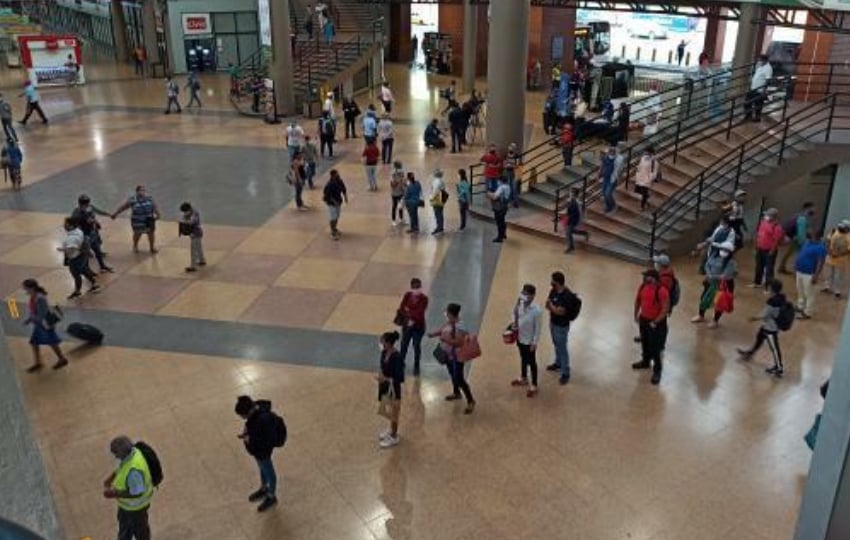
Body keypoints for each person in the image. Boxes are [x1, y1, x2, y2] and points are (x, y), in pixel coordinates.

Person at [234, 396, 281, 512]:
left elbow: (265, 438)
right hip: (259, 451)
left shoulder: (261, 420)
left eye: (243, 415)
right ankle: (264, 488)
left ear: (249, 411)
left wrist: (249, 439)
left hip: (263, 450)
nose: (242, 418)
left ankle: (271, 496)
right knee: (262, 467)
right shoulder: (256, 415)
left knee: (269, 471)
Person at [103, 436, 154, 539]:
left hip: (135, 509)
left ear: (122, 453)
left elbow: (137, 492)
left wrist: (114, 493)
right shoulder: (133, 452)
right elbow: (123, 466)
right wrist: (112, 476)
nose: (115, 457)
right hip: (127, 508)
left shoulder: (134, 471)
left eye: (116, 453)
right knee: (126, 528)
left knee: (139, 531)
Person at [429, 303, 475, 414]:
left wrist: (445, 340)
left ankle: (471, 400)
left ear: (451, 313)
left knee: (459, 378)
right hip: (449, 355)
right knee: (452, 374)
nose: (446, 314)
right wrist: (433, 334)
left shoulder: (461, 327)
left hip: (457, 356)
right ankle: (456, 392)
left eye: (447, 312)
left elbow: (459, 342)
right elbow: (443, 330)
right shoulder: (451, 322)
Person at [738, 279, 788, 377]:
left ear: (772, 289)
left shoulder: (773, 301)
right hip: (769, 326)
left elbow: (765, 314)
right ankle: (750, 353)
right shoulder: (782, 298)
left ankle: (779, 368)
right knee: (759, 337)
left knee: (774, 348)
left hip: (771, 328)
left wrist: (754, 318)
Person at [21, 279, 70, 372]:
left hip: (44, 325)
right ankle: (38, 362)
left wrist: (31, 319)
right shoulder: (33, 296)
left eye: (26, 288)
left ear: (31, 288)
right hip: (39, 325)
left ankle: (62, 359)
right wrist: (30, 319)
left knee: (51, 342)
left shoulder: (40, 298)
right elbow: (34, 311)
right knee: (35, 342)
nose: (24, 290)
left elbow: (42, 314)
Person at [632, 269, 670, 385]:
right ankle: (645, 361)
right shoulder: (643, 286)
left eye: (646, 276)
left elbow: (665, 308)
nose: (644, 278)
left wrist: (655, 321)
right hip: (644, 319)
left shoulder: (662, 291)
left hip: (656, 322)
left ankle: (657, 370)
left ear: (653, 278)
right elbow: (638, 300)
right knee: (645, 342)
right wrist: (636, 314)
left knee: (655, 347)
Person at [692, 241, 737, 328]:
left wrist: (712, 276)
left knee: (719, 303)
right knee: (704, 298)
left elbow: (725, 276)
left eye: (727, 250)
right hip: (710, 282)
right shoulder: (714, 255)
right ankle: (701, 315)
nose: (724, 251)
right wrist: (709, 274)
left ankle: (715, 321)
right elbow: (707, 265)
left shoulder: (731, 262)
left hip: (722, 286)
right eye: (723, 249)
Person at [509, 284, 543, 397]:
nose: (524, 296)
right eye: (523, 293)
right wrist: (517, 305)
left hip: (529, 341)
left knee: (532, 362)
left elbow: (538, 328)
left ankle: (534, 384)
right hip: (520, 337)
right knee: (523, 358)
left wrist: (534, 342)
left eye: (527, 294)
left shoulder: (536, 310)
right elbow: (514, 315)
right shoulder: (520, 305)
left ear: (533, 296)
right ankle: (523, 378)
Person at [544, 271, 574, 384]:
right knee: (556, 344)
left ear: (557, 282)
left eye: (552, 280)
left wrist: (551, 307)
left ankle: (565, 372)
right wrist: (553, 309)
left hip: (561, 327)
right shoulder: (554, 290)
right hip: (553, 323)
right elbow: (549, 305)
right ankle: (558, 363)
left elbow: (560, 312)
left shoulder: (567, 296)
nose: (550, 282)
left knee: (562, 348)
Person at [58, 216, 100, 299]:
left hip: (75, 258)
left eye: (66, 224)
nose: (64, 226)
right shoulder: (78, 231)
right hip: (82, 255)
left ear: (71, 226)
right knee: (84, 270)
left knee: (76, 274)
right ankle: (94, 284)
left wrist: (62, 249)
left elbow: (72, 248)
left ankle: (77, 291)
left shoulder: (72, 238)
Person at [111, 185, 160, 254]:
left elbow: (154, 206)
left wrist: (158, 214)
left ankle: (152, 247)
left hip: (149, 220)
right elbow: (123, 207)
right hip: (137, 221)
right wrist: (115, 213)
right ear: (137, 191)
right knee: (137, 234)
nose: (142, 192)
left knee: (151, 234)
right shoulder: (132, 199)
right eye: (141, 190)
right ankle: (135, 246)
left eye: (144, 190)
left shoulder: (149, 198)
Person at [71, 194, 113, 273]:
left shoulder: (89, 207)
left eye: (87, 203)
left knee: (97, 251)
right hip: (85, 236)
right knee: (86, 254)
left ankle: (102, 266)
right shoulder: (76, 212)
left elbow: (97, 212)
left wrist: (107, 215)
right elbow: (73, 225)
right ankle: (87, 269)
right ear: (80, 204)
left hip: (92, 233)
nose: (86, 205)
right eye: (84, 204)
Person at [377, 330, 404, 448]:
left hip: (394, 387)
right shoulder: (383, 352)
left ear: (388, 343)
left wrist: (386, 378)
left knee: (394, 411)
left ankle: (394, 436)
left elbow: (400, 377)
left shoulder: (397, 357)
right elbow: (382, 367)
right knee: (388, 408)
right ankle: (391, 430)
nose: (380, 342)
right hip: (385, 386)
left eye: (382, 340)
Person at [398, 278, 428, 376]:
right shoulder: (407, 295)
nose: (417, 289)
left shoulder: (424, 299)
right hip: (407, 326)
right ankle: (400, 362)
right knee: (403, 345)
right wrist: (409, 313)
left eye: (418, 287)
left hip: (418, 327)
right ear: (411, 287)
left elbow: (420, 314)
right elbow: (401, 309)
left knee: (416, 345)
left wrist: (408, 311)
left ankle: (416, 364)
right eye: (415, 287)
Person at [794, 232, 827, 319]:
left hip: (809, 274)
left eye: (811, 237)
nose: (809, 238)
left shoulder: (820, 248)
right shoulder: (806, 243)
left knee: (810, 294)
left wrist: (816, 275)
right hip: (800, 271)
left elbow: (821, 262)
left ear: (817, 237)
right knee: (800, 290)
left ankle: (808, 312)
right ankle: (800, 306)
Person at [750, 208, 784, 289]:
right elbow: (759, 234)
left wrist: (772, 251)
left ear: (773, 217)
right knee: (758, 266)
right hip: (760, 248)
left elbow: (776, 240)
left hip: (769, 250)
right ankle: (757, 282)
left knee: (769, 269)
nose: (766, 216)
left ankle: (768, 286)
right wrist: (756, 245)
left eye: (768, 215)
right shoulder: (763, 222)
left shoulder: (777, 227)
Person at [780, 202, 815, 274]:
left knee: (789, 252)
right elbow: (801, 232)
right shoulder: (803, 218)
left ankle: (782, 267)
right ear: (808, 208)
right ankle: (797, 270)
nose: (814, 210)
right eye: (813, 208)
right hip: (795, 237)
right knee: (800, 254)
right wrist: (804, 242)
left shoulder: (799, 215)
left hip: (792, 236)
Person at [822, 220, 850, 298]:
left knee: (839, 276)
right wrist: (829, 251)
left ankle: (837, 291)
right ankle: (826, 286)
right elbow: (828, 241)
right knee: (828, 273)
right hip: (831, 257)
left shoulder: (848, 237)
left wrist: (838, 254)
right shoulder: (834, 232)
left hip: (841, 261)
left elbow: (848, 250)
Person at [744, 54, 773, 122]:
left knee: (758, 104)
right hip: (753, 88)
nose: (759, 61)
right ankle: (748, 116)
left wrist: (764, 91)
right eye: (759, 60)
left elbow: (768, 80)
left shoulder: (768, 68)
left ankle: (757, 118)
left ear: (765, 60)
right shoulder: (760, 67)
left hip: (760, 90)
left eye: (760, 60)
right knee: (747, 102)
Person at [178, 202, 206, 272]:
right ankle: (202, 260)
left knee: (193, 250)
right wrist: (183, 220)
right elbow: (183, 218)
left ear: (188, 209)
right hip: (194, 233)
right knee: (199, 247)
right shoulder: (189, 212)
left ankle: (192, 266)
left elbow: (192, 222)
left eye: (185, 211)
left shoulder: (194, 213)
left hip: (196, 233)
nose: (184, 213)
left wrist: (183, 221)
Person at [323, 169, 347, 240]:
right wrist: (334, 202)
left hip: (338, 202)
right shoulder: (329, 184)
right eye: (337, 174)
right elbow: (327, 195)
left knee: (337, 216)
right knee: (333, 217)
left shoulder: (339, 181)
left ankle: (335, 228)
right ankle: (332, 232)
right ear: (333, 175)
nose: (338, 175)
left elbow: (343, 188)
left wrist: (345, 197)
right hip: (331, 204)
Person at [633, 145, 658, 212]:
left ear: (650, 152)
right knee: (638, 191)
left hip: (646, 179)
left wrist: (649, 179)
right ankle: (647, 196)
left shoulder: (654, 162)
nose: (645, 152)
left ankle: (642, 206)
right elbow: (640, 165)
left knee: (644, 192)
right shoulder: (643, 158)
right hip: (640, 177)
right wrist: (637, 170)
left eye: (646, 151)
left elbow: (654, 172)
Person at [564, 187, 589, 253]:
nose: (569, 193)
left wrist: (579, 220)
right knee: (571, 231)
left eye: (571, 192)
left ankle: (571, 247)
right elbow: (569, 209)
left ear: (573, 194)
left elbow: (579, 212)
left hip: (574, 219)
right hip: (571, 218)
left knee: (568, 232)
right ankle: (585, 233)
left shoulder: (577, 202)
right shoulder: (570, 200)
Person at [488, 176, 511, 243]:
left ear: (501, 181)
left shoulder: (501, 188)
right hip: (505, 206)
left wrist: (489, 194)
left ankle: (499, 237)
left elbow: (495, 197)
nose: (498, 182)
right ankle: (503, 234)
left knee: (499, 222)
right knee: (503, 220)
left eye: (499, 181)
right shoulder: (508, 187)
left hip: (499, 207)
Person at [599, 144, 619, 213]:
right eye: (610, 151)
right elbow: (602, 166)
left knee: (608, 193)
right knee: (604, 193)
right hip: (605, 178)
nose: (611, 153)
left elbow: (618, 169)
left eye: (612, 152)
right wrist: (600, 174)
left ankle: (612, 205)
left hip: (612, 179)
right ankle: (608, 206)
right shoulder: (605, 158)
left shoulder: (616, 160)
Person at [503, 143, 521, 208]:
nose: (510, 148)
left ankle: (516, 202)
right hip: (508, 172)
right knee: (508, 186)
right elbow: (504, 164)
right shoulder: (506, 155)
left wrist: (511, 165)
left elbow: (517, 165)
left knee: (514, 188)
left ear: (514, 149)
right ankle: (509, 201)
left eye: (512, 147)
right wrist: (506, 165)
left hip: (514, 173)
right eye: (510, 147)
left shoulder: (517, 156)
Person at [429, 169, 446, 236]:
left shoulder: (436, 182)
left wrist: (431, 198)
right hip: (442, 198)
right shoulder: (442, 181)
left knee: (437, 213)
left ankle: (439, 228)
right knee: (440, 213)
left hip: (437, 199)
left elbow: (435, 191)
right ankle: (441, 227)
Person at [390, 161, 406, 226]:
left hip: (401, 192)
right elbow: (392, 185)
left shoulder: (402, 173)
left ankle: (401, 219)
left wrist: (404, 184)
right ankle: (393, 220)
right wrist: (398, 181)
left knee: (401, 206)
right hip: (394, 193)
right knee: (394, 206)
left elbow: (404, 182)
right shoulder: (393, 174)